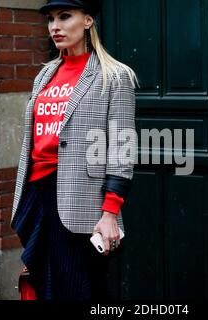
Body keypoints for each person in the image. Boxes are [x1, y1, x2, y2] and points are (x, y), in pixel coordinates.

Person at [10, 0, 138, 300]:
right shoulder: (45, 75)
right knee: (41, 282)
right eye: (51, 19)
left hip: (79, 198)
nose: (55, 26)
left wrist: (109, 213)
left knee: (77, 286)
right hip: (37, 193)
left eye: (65, 17)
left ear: (88, 21)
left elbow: (122, 149)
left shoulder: (115, 76)